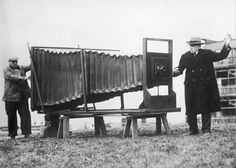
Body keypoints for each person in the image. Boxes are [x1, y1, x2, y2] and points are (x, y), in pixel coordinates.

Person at [172, 34, 232, 135]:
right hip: (191, 87)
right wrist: (174, 71)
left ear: (198, 46)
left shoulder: (207, 54)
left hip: (204, 87)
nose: (191, 47)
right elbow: (180, 70)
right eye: (190, 45)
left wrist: (226, 44)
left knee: (205, 108)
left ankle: (206, 130)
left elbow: (221, 56)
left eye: (193, 45)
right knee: (191, 109)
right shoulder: (185, 56)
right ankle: (193, 130)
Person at [2, 57, 32, 140]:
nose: (15, 63)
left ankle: (27, 134)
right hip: (10, 97)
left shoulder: (22, 68)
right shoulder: (6, 70)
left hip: (22, 96)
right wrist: (23, 77)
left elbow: (31, 66)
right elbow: (12, 76)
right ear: (9, 62)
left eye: (16, 61)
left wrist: (33, 57)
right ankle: (12, 136)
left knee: (25, 115)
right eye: (13, 61)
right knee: (11, 117)